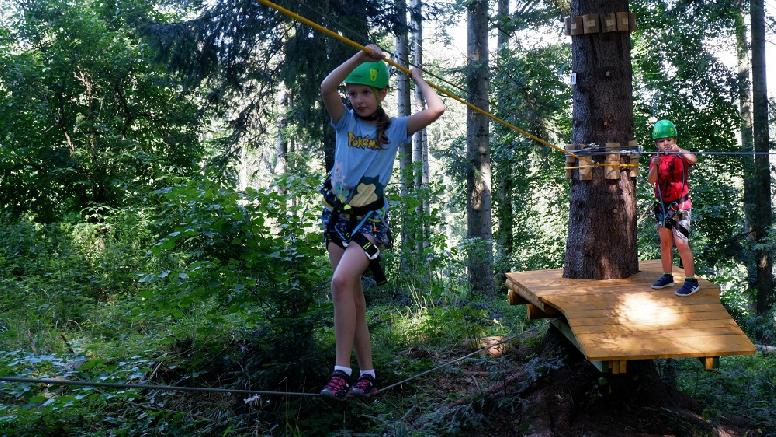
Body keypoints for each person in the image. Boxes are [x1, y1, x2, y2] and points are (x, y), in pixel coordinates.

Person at [318, 44, 445, 399]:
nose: (358, 99)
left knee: (341, 281)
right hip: (337, 217)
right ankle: (368, 374)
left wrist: (416, 76)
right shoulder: (343, 121)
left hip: (371, 221)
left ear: (382, 94)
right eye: (354, 93)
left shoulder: (396, 129)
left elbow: (437, 109)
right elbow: (327, 88)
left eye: (366, 93)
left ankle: (341, 370)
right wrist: (359, 58)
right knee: (350, 296)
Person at [647, 119, 700, 297]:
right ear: (657, 143)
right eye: (661, 141)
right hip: (662, 205)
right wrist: (654, 165)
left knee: (681, 242)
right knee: (665, 242)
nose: (666, 143)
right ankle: (667, 275)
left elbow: (694, 159)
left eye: (669, 139)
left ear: (674, 139)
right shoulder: (656, 158)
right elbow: (651, 180)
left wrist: (680, 151)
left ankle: (691, 281)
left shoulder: (681, 155)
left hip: (681, 204)